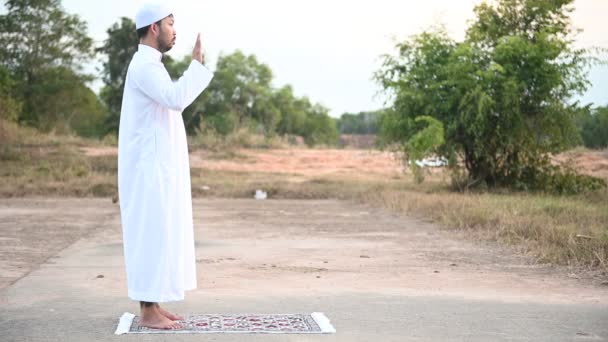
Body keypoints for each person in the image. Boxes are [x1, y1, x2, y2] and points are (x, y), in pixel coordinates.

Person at [117, 2, 213, 330]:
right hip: (148, 171)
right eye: (171, 24)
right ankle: (147, 312)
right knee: (150, 238)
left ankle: (153, 306)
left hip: (156, 169)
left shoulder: (151, 64)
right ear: (155, 28)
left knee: (158, 237)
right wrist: (196, 65)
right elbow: (175, 99)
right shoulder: (144, 66)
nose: (175, 31)